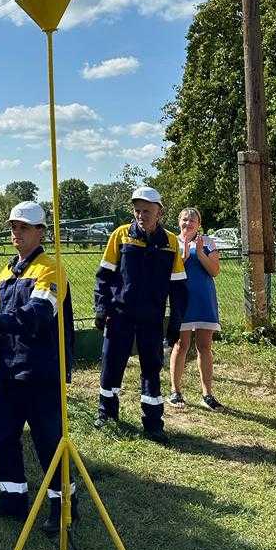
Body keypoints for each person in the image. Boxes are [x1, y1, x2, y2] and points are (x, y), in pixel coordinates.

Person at [0, 202, 77, 534]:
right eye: (13, 227)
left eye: (24, 227)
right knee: (3, 436)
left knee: (49, 441)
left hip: (41, 371)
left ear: (40, 232)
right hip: (8, 372)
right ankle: (12, 502)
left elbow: (39, 313)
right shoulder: (5, 273)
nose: (16, 233)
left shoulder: (51, 269)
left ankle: (63, 508)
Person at [94, 185, 187, 443]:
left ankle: (153, 423)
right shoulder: (120, 235)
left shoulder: (170, 242)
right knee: (112, 363)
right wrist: (102, 308)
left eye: (147, 210)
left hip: (152, 317)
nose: (141, 215)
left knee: (151, 368)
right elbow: (104, 275)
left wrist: (176, 321)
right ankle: (106, 412)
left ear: (160, 212)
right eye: (137, 210)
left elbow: (178, 286)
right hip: (119, 314)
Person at [168, 207, 223, 411]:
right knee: (181, 344)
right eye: (185, 219)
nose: (188, 223)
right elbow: (168, 272)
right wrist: (182, 257)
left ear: (199, 224)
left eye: (192, 220)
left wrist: (199, 253)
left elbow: (214, 271)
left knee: (205, 346)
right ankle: (175, 391)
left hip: (204, 300)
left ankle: (207, 394)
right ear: (179, 222)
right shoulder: (172, 241)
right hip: (182, 300)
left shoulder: (207, 242)